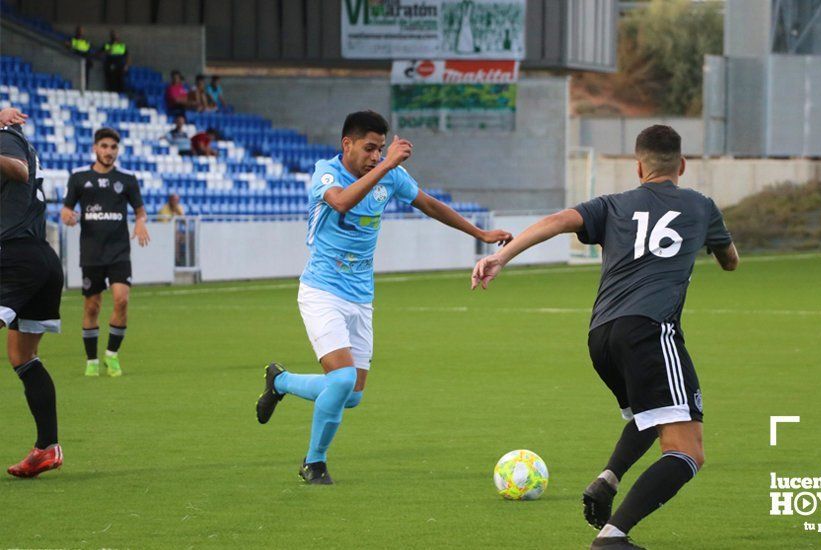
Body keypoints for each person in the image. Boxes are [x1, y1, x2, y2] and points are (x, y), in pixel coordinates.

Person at [470, 125, 739, 550]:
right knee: (688, 451)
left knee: (649, 417)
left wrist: (500, 256)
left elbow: (555, 222)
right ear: (682, 165)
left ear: (638, 167)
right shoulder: (702, 206)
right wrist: (719, 245)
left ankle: (606, 479)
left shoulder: (611, 204)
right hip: (651, 331)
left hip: (601, 335)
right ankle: (612, 537)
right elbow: (730, 261)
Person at [255, 110, 513, 484]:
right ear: (347, 144)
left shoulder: (390, 175)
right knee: (341, 381)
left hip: (360, 298)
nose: (375, 156)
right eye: (369, 148)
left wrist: (481, 233)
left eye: (380, 150)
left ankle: (280, 382)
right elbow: (341, 202)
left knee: (353, 395)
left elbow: (429, 204)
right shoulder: (326, 173)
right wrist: (389, 163)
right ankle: (314, 463)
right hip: (322, 291)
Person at [0, 107, 65, 478]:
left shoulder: (7, 138)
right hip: (39, 257)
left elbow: (18, 169)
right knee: (22, 356)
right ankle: (46, 447)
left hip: (13, 255)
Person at [61, 127, 151, 377]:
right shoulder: (79, 178)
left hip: (119, 251)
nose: (109, 151)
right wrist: (67, 216)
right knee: (92, 306)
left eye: (113, 147)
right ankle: (91, 360)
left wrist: (140, 221)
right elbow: (66, 209)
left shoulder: (127, 179)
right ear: (95, 148)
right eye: (104, 146)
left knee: (122, 300)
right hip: (91, 252)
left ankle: (111, 355)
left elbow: (140, 210)